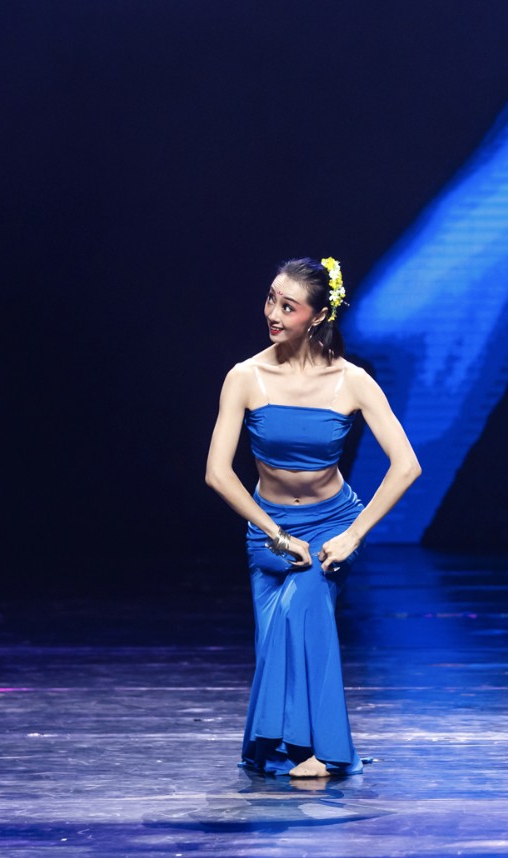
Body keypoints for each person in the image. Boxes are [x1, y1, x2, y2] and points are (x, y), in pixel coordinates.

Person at [205, 256, 421, 777]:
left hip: (331, 528)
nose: (272, 313)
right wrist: (278, 536)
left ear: (319, 315)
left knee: (301, 611)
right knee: (274, 638)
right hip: (269, 531)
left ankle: (320, 752)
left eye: (289, 306)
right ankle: (284, 747)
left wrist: (353, 535)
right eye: (271, 299)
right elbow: (217, 473)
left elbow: (407, 465)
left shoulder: (351, 381)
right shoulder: (246, 376)